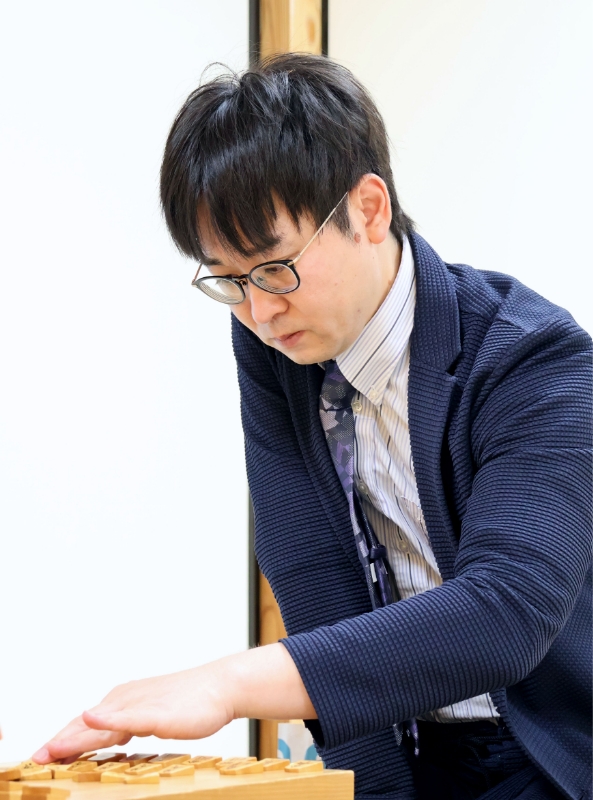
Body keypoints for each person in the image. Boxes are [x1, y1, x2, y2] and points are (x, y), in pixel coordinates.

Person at [33, 54, 591, 800]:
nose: (259, 311)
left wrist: (228, 683)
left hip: (556, 752)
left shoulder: (535, 359)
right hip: (410, 742)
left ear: (368, 209)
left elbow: (505, 611)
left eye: (273, 268)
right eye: (225, 280)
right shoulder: (274, 348)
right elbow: (312, 577)